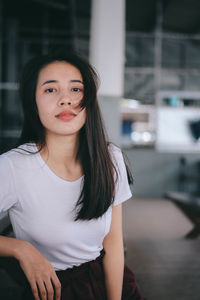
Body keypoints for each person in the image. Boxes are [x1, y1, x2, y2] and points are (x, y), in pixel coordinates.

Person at [0, 52, 144, 300]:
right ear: (32, 101)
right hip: (55, 291)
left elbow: (113, 243)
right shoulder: (13, 165)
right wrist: (19, 248)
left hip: (112, 283)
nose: (66, 99)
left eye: (76, 89)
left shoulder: (109, 157)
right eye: (50, 90)